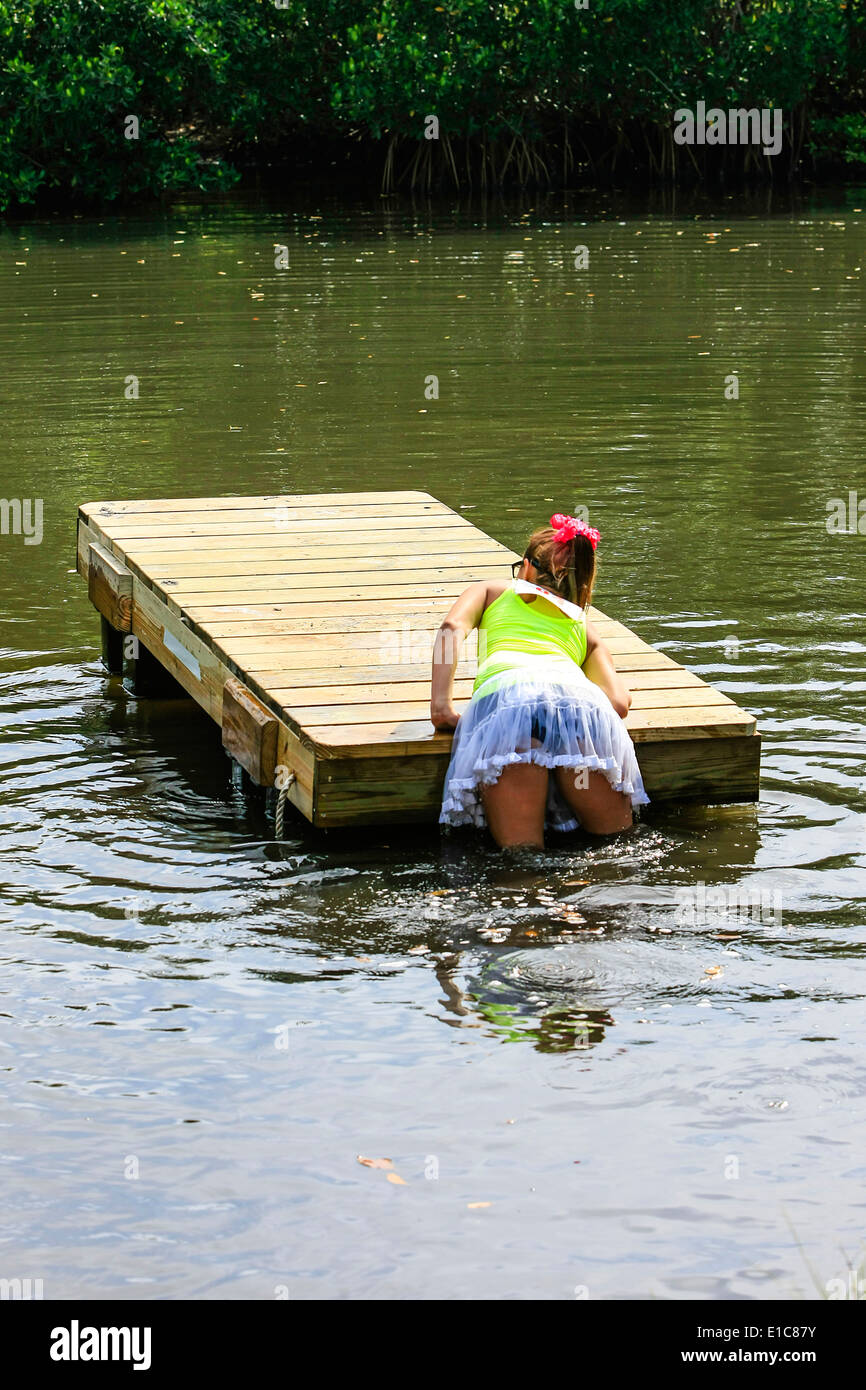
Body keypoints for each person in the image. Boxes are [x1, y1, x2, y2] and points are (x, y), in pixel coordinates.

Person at [431, 512, 650, 850]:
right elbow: (619, 703)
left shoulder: (491, 592)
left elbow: (450, 631)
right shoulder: (581, 623)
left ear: (528, 567)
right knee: (616, 848)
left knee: (524, 859)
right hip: (578, 708)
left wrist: (442, 707)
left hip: (508, 702)